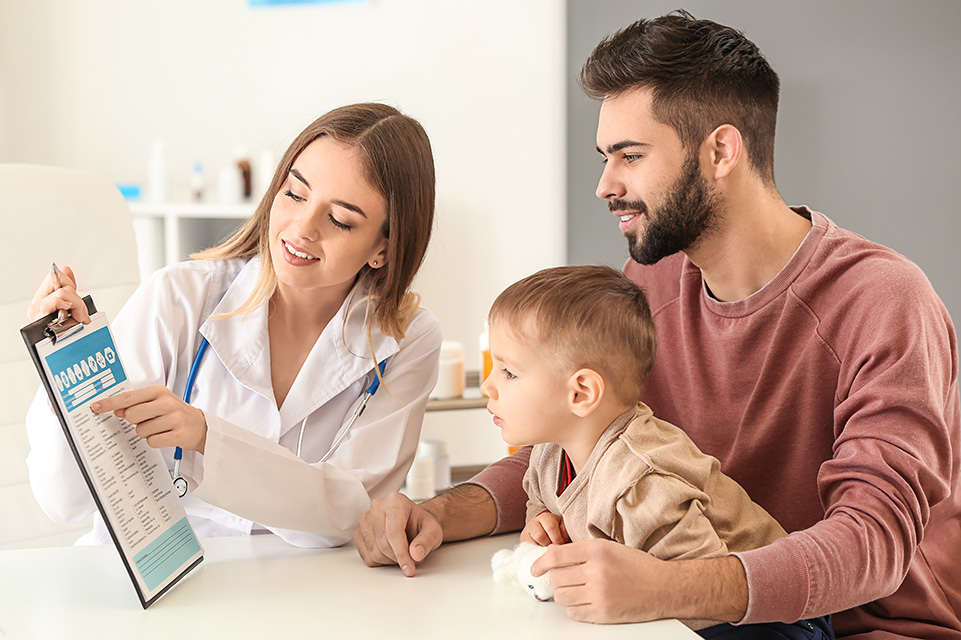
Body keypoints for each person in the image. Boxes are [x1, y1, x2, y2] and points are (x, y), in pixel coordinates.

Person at [353, 12, 961, 637]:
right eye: (605, 157)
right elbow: (576, 438)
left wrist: (664, 587)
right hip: (700, 623)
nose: (604, 184)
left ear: (721, 150)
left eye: (630, 156)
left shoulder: (885, 301)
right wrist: (436, 515)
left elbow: (873, 542)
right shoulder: (653, 283)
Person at [26, 102, 443, 548]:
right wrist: (68, 376)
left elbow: (352, 513)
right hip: (154, 579)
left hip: (300, 592)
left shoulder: (407, 339)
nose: (301, 228)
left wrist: (208, 438)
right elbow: (65, 501)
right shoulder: (179, 298)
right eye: (295, 194)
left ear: (384, 247)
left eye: (339, 219)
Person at [484, 265, 832, 638]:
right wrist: (542, 524)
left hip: (769, 621)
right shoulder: (549, 453)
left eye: (509, 372)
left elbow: (702, 590)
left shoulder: (642, 482)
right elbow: (541, 500)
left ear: (581, 393)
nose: (488, 385)